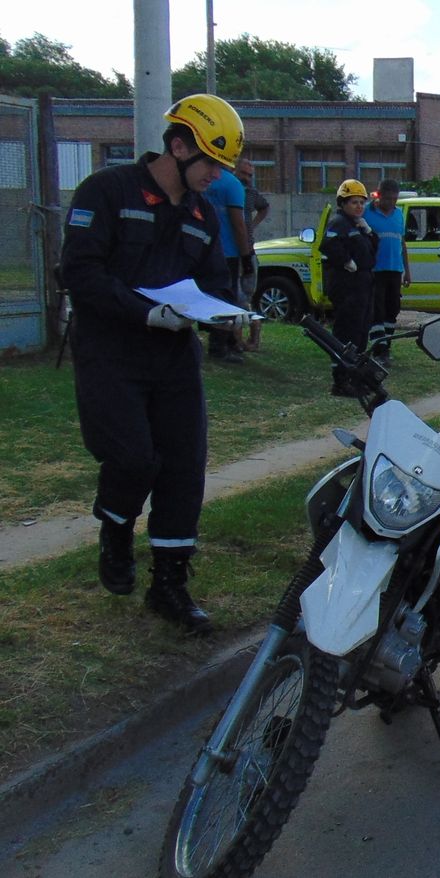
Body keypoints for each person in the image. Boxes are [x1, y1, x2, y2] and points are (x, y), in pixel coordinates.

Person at [59, 93, 245, 636]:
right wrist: (147, 314)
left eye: (222, 166)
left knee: (184, 467)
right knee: (134, 460)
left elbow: (214, 283)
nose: (215, 175)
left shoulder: (201, 214)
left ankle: (169, 587)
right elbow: (82, 272)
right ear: (179, 145)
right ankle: (115, 528)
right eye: (210, 162)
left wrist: (224, 315)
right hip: (111, 353)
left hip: (174, 359)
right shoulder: (107, 192)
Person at [318, 179, 379, 396]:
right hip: (347, 285)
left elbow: (372, 249)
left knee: (361, 333)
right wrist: (345, 260)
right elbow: (327, 244)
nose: (359, 206)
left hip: (363, 284)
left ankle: (355, 376)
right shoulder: (339, 223)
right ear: (343, 203)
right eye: (354, 202)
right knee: (347, 333)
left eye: (362, 202)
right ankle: (341, 380)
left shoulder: (356, 225)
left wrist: (370, 233)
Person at [201, 157, 252, 364]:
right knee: (227, 298)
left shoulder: (204, 181)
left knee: (209, 296)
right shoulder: (232, 185)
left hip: (202, 248)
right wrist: (246, 256)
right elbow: (238, 225)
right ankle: (220, 345)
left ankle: (226, 342)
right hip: (228, 251)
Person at [364, 179, 411, 367]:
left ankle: (386, 346)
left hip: (394, 269)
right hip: (375, 270)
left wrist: (407, 271)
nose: (391, 202)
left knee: (392, 310)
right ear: (379, 195)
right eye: (388, 198)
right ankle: (379, 351)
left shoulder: (399, 214)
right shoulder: (367, 212)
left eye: (395, 199)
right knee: (377, 311)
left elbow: (402, 243)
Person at [234, 157, 270, 352]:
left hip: (249, 249)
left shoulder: (250, 193)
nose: (247, 178)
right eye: (244, 174)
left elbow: (264, 207)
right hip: (233, 250)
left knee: (247, 294)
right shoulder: (232, 189)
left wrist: (252, 226)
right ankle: (237, 338)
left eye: (250, 175)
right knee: (236, 295)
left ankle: (252, 336)